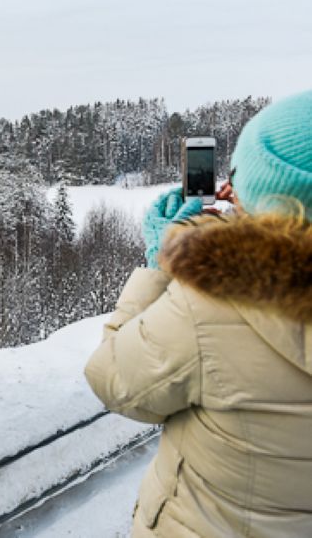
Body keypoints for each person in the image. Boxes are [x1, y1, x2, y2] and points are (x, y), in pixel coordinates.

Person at [85, 90, 312, 537]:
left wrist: (164, 261)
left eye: (242, 178)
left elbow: (113, 380)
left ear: (274, 201)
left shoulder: (211, 307)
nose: (232, 189)